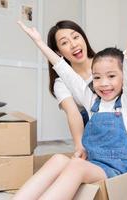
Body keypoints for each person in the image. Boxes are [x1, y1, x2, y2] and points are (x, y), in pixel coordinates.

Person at [13, 1, 127, 199]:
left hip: (118, 169)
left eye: (112, 76)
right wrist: (39, 43)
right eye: (97, 78)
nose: (104, 83)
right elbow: (65, 71)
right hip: (93, 163)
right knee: (57, 159)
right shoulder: (91, 102)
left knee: (76, 167)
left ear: (124, 79)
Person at [47, 20, 95, 160]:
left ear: (83, 38)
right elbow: (73, 113)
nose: (74, 45)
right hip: (91, 130)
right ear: (58, 52)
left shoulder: (105, 62)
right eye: (64, 43)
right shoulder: (61, 83)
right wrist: (79, 146)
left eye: (75, 37)